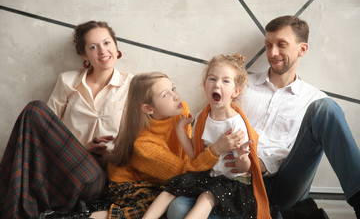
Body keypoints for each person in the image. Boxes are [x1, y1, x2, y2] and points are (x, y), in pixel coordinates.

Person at [167, 15, 360, 219]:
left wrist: (257, 163)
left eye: (281, 45)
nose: (273, 53)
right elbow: (209, 125)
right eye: (268, 45)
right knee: (178, 209)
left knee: (326, 108)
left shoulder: (313, 99)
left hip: (284, 184)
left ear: (302, 49)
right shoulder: (241, 86)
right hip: (236, 183)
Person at [0, 21, 133, 219]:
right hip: (61, 167)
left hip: (96, 175)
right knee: (34, 111)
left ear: (116, 47)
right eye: (93, 47)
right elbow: (43, 135)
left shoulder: (133, 85)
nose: (102, 51)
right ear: (84, 56)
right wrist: (82, 148)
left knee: (34, 110)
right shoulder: (67, 81)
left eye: (107, 43)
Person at [142, 54, 275, 219]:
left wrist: (242, 157)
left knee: (206, 198)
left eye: (225, 81)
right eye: (212, 79)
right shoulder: (203, 116)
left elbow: (242, 170)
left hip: (234, 183)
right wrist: (180, 129)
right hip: (210, 175)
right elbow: (193, 155)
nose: (217, 84)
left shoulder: (235, 124)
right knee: (174, 185)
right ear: (205, 85)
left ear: (236, 91)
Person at [106, 71, 244, 218]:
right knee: (152, 207)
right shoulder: (144, 144)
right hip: (129, 182)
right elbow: (184, 173)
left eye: (173, 88)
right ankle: (94, 215)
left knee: (171, 199)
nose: (176, 96)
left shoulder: (181, 110)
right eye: (165, 95)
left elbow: (187, 155)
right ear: (148, 109)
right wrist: (216, 149)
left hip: (167, 174)